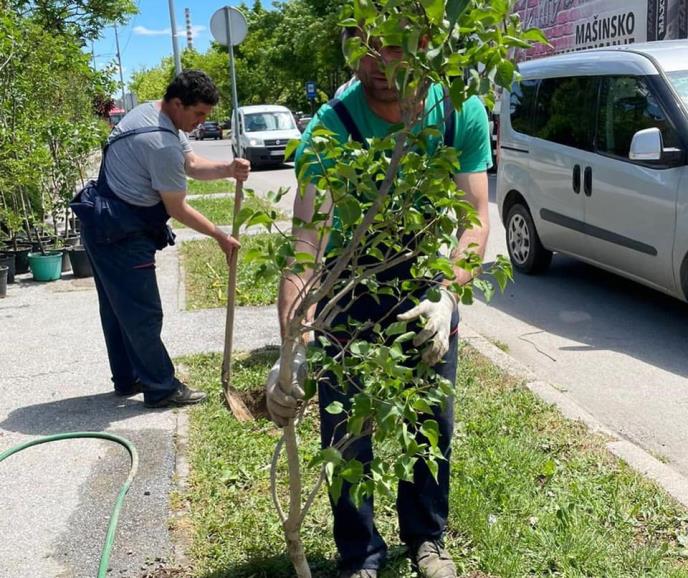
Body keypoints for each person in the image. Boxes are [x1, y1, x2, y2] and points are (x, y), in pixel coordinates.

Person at [265, 26, 492, 578]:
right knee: (346, 432)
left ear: (425, 40)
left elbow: (476, 219)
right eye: (363, 44)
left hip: (424, 284)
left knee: (430, 418)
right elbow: (306, 246)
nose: (377, 60)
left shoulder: (458, 111)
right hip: (347, 287)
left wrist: (447, 294)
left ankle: (427, 539)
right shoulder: (330, 129)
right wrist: (294, 345)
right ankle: (360, 553)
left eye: (391, 43)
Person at [72, 70, 250, 408]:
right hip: (121, 232)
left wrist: (227, 169)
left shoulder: (150, 113)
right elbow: (177, 208)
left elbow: (192, 164)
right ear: (178, 103)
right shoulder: (161, 143)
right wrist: (219, 235)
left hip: (101, 223)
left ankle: (128, 378)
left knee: (118, 308)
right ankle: (161, 387)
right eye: (198, 114)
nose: (200, 122)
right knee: (143, 313)